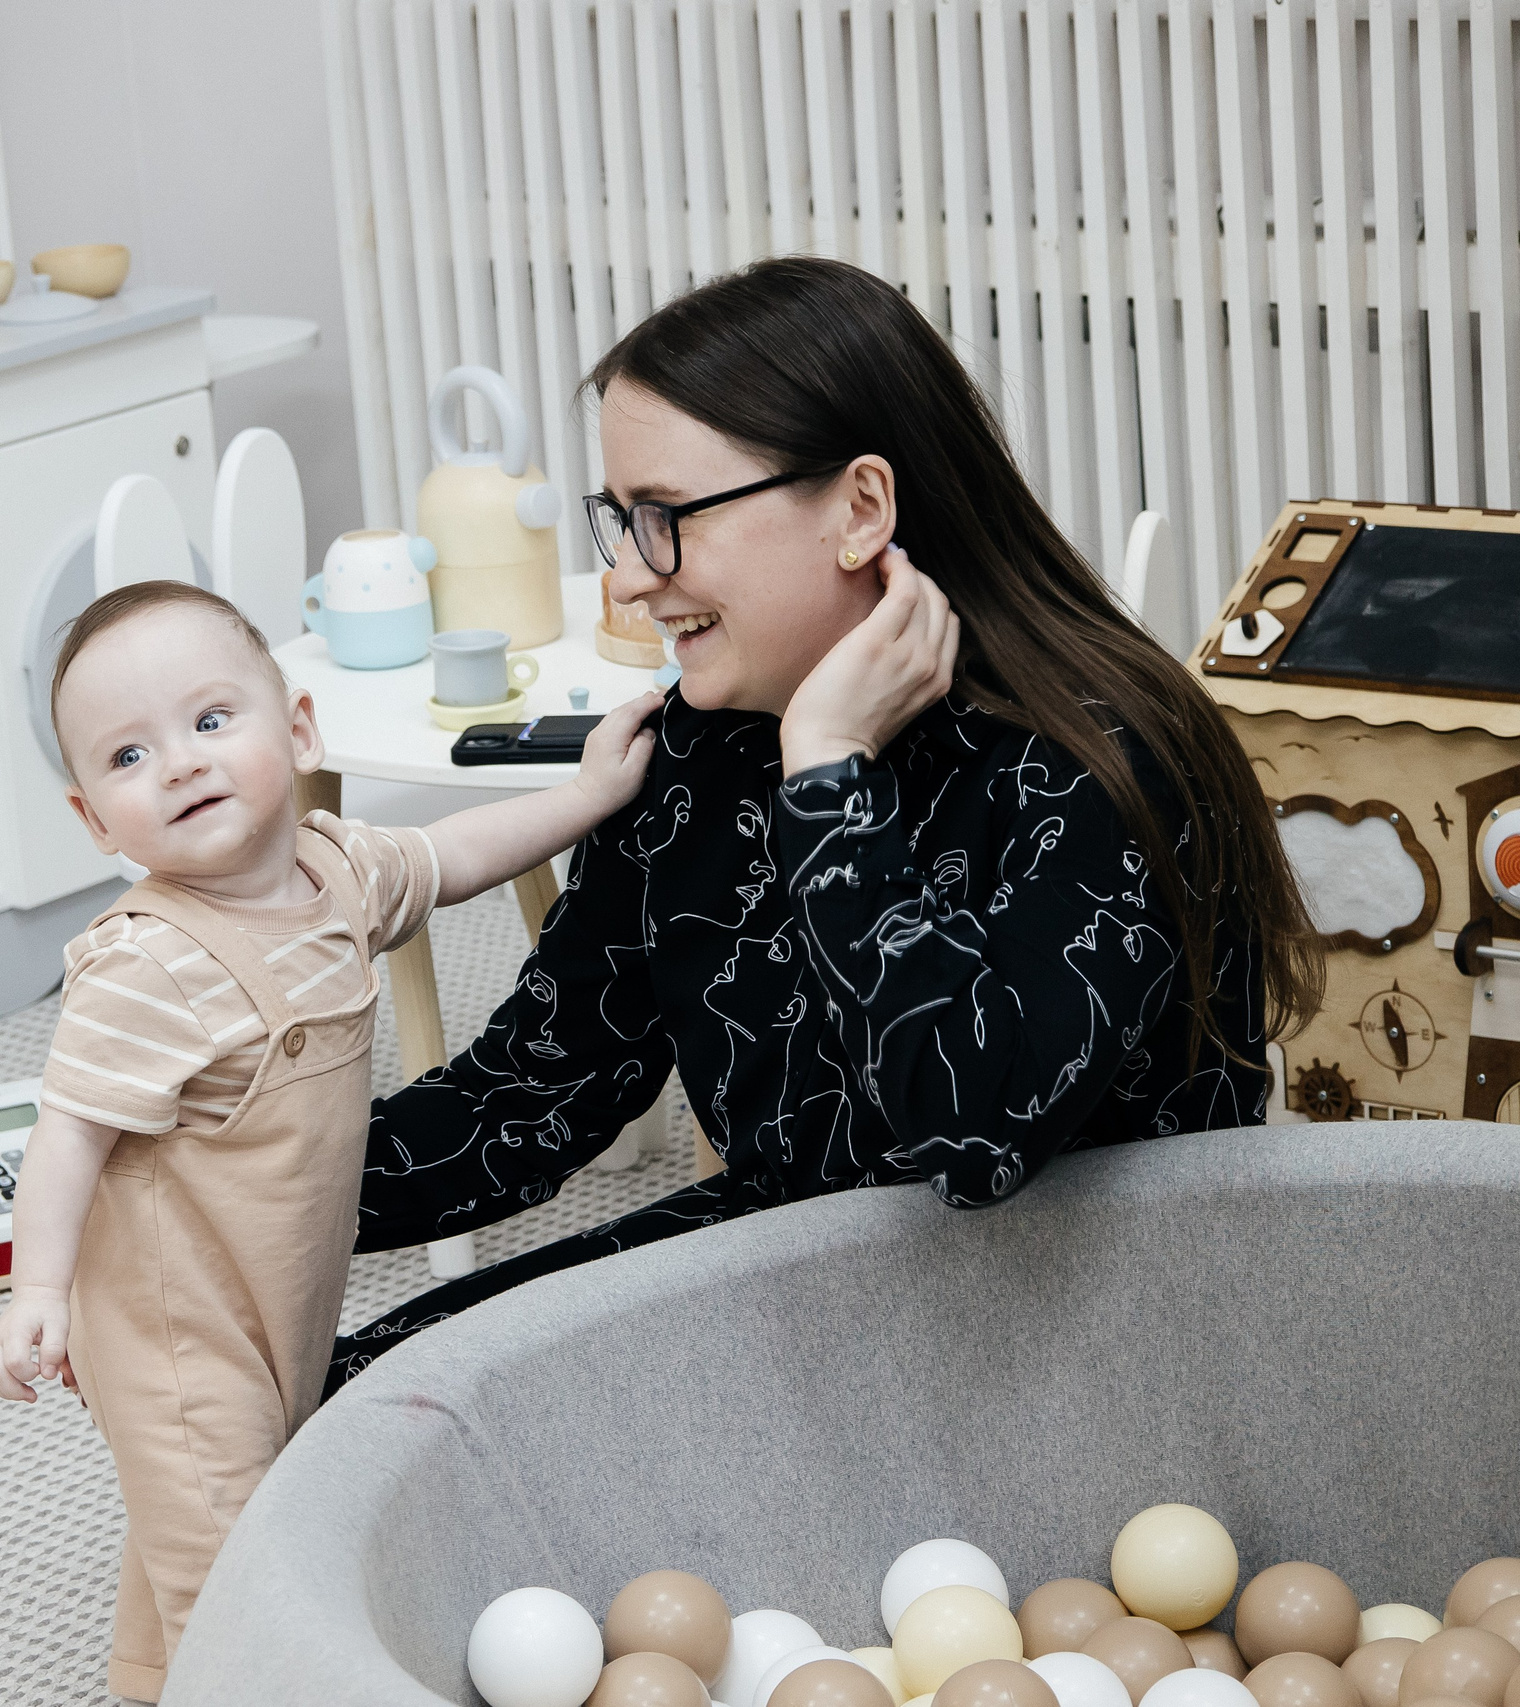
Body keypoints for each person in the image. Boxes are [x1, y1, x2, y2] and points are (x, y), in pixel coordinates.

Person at [330, 255, 1323, 1395]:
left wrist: (830, 779)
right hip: (811, 1265)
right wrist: (227, 1189)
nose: (625, 581)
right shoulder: (707, 738)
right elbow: (535, 1092)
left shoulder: (1107, 759)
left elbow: (973, 1141)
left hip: (1091, 1336)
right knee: (364, 1393)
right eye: (622, 520)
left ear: (860, 510)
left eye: (666, 519)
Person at [0, 579, 660, 1702]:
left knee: (190, 1527)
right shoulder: (142, 964)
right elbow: (67, 1134)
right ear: (94, 819)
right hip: (171, 1331)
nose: (182, 763)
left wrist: (586, 797)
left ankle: (151, 1683)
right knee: (240, 1563)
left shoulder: (334, 873)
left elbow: (461, 855)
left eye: (208, 721)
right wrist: (33, 1289)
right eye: (129, 757)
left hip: (275, 1292)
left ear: (296, 731)